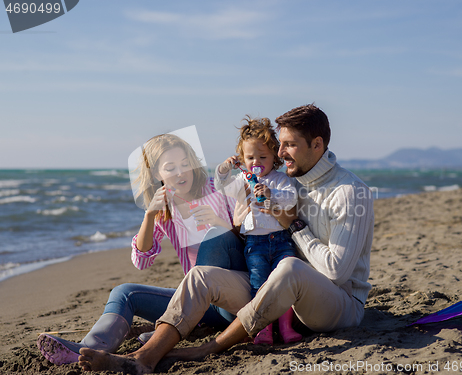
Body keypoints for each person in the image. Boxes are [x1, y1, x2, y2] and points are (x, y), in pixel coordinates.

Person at [77, 104, 374, 375]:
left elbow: (336, 272)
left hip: (336, 305)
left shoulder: (350, 192)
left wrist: (293, 224)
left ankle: (211, 346)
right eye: (280, 144)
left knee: (290, 266)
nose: (280, 153)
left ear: (317, 144)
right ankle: (144, 357)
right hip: (279, 296)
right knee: (199, 277)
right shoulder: (290, 182)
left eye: (289, 145)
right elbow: (240, 189)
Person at [37, 132, 248, 366]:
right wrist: (150, 215)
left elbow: (249, 236)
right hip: (201, 306)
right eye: (170, 167)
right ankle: (88, 349)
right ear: (157, 173)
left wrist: (221, 223)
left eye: (185, 164)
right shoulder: (164, 210)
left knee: (214, 237)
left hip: (234, 298)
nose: (180, 172)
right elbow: (142, 261)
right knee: (124, 292)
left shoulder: (218, 188)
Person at [215, 116, 302, 345]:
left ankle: (286, 328)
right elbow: (220, 186)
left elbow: (291, 197)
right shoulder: (243, 181)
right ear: (243, 159)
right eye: (250, 157)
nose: (257, 162)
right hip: (255, 245)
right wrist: (224, 169)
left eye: (263, 157)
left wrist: (272, 195)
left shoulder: (280, 180)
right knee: (259, 285)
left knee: (282, 283)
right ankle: (263, 329)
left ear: (274, 157)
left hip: (282, 240)